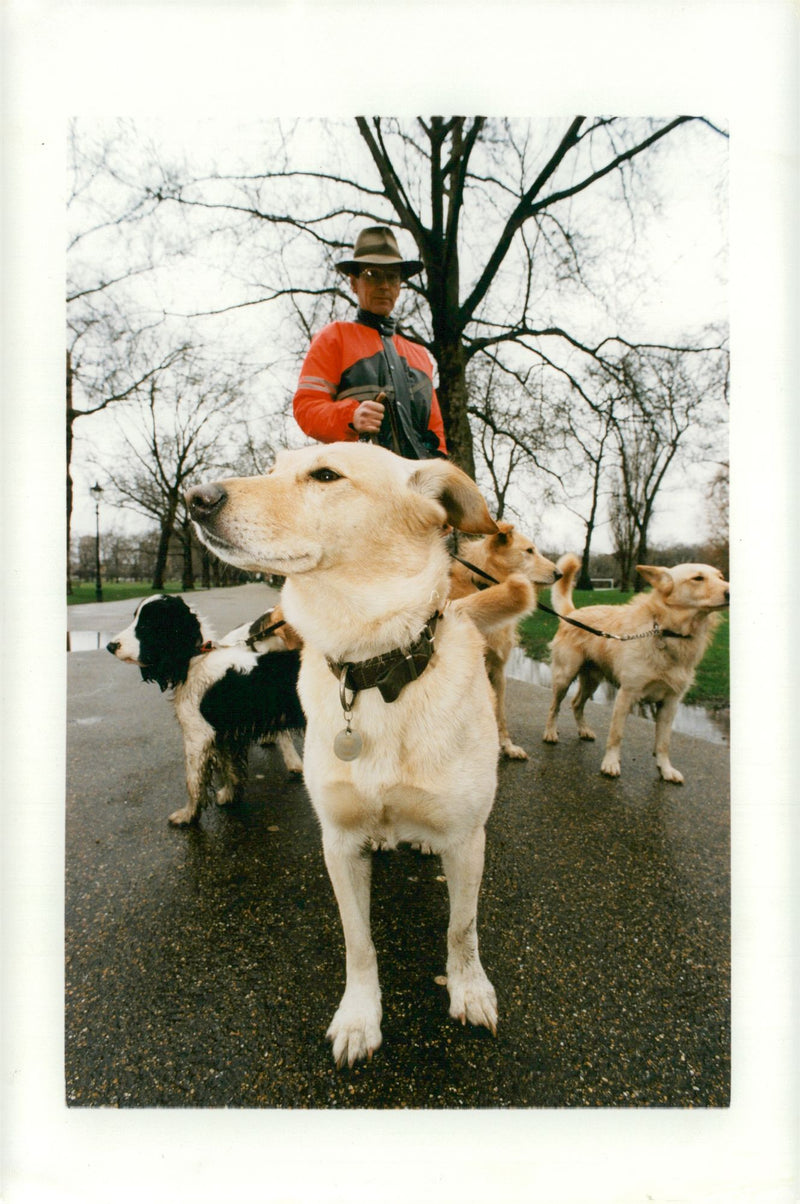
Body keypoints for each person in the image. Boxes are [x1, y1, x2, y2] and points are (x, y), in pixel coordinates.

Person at [292, 226, 447, 459]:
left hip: (416, 476)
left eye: (392, 277)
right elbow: (306, 408)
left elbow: (437, 435)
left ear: (399, 286)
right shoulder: (334, 337)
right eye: (373, 275)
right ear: (354, 283)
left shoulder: (420, 354)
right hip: (359, 472)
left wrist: (441, 472)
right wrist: (351, 416)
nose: (384, 286)